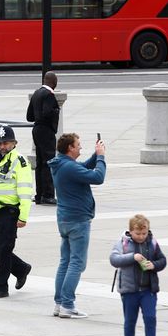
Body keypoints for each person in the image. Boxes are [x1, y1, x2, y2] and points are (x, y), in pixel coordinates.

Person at [48, 132, 106, 318]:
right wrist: (102, 158)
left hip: (65, 220)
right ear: (70, 148)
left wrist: (96, 155)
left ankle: (59, 303)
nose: (80, 147)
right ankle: (67, 304)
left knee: (65, 262)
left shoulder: (62, 164)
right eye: (78, 144)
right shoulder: (68, 167)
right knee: (77, 263)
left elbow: (82, 167)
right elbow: (98, 177)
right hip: (78, 220)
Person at [0, 125, 33, 298]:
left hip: (11, 212)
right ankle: (21, 269)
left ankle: (1, 286)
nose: (2, 146)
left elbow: (25, 190)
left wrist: (23, 216)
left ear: (14, 143)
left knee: (4, 249)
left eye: (5, 143)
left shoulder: (20, 161)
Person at [110, 214, 167, 336]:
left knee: (150, 318)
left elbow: (162, 260)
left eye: (144, 233)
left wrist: (154, 265)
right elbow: (114, 259)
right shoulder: (123, 243)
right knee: (130, 320)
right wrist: (131, 257)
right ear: (130, 231)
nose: (141, 236)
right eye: (138, 233)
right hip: (130, 290)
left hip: (148, 289)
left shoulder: (152, 243)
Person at [26, 71, 59, 205]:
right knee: (49, 162)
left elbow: (29, 117)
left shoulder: (36, 93)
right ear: (54, 82)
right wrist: (56, 111)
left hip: (36, 129)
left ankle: (39, 194)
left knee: (39, 163)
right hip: (46, 131)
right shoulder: (49, 95)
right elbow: (47, 112)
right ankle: (48, 195)